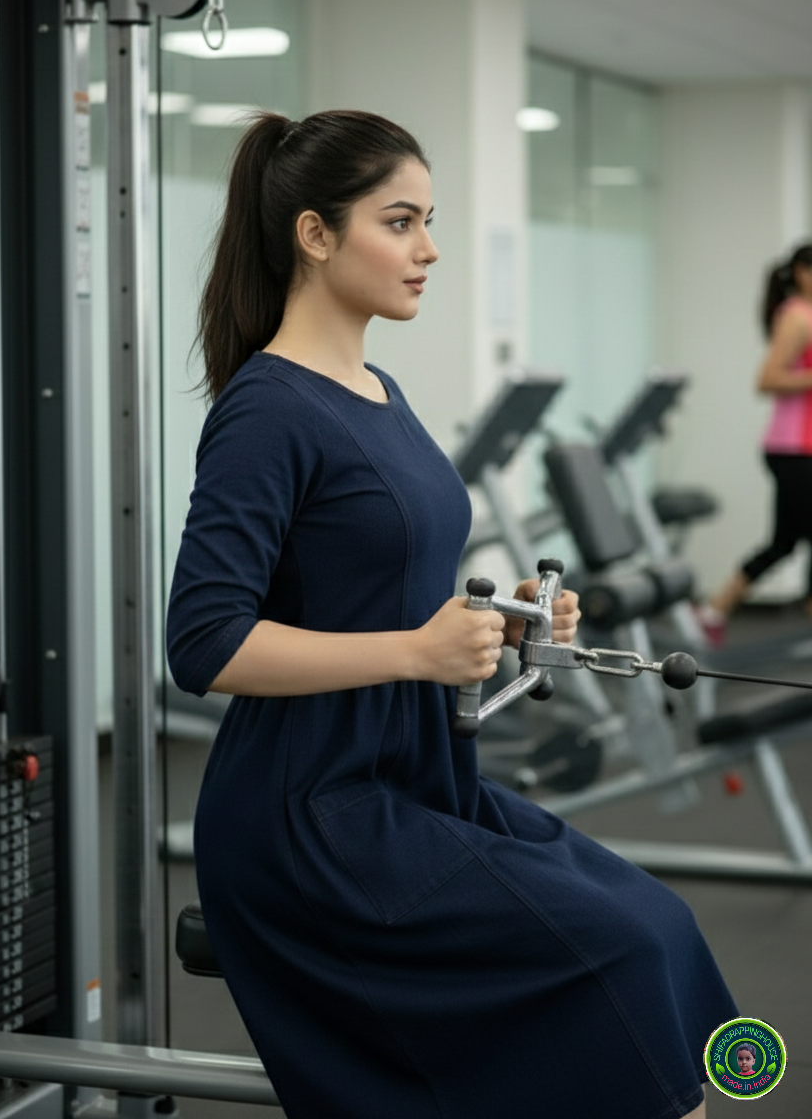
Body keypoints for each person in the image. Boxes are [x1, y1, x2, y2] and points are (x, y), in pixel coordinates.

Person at [167, 109, 736, 1119]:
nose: (428, 250)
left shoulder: (376, 387)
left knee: (657, 921)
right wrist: (417, 648)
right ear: (314, 234)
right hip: (312, 818)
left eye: (430, 221)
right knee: (616, 954)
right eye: (399, 222)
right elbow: (204, 642)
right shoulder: (265, 411)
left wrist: (511, 617)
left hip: (417, 777)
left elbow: (383, 588)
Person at [700, 243, 812, 642]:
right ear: (801, 272)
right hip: (792, 448)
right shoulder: (796, 317)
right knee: (788, 542)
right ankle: (715, 609)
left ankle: (715, 609)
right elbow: (767, 379)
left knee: (787, 541)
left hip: (804, 448)